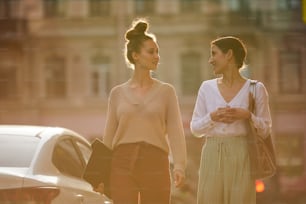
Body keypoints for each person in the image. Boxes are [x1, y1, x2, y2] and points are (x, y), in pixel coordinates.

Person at [101, 19, 187, 204]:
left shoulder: (167, 92)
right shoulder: (117, 93)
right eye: (151, 52)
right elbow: (108, 137)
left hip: (156, 161)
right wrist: (100, 173)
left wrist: (179, 165)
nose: (156, 56)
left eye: (157, 52)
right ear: (135, 56)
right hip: (121, 162)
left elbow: (176, 132)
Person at [190, 36, 272, 204]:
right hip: (212, 153)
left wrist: (248, 116)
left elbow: (265, 130)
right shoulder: (207, 87)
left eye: (214, 54)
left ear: (229, 55)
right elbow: (195, 129)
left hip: (243, 153)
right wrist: (211, 117)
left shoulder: (256, 88)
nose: (210, 60)